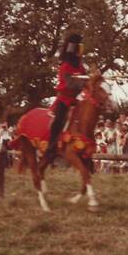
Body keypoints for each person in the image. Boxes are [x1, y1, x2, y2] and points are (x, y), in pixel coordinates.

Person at [42, 33, 87, 168]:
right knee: (59, 121)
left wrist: (92, 79)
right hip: (64, 99)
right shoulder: (65, 66)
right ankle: (51, 147)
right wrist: (82, 82)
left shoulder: (80, 66)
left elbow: (85, 78)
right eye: (79, 48)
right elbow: (70, 84)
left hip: (76, 99)